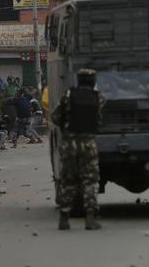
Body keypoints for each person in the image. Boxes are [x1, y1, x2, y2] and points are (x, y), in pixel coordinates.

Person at [51, 69, 103, 230]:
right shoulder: (98, 98)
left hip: (69, 143)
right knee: (90, 181)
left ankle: (64, 219)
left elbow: (55, 117)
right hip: (88, 143)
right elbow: (99, 121)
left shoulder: (67, 96)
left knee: (68, 180)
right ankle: (90, 218)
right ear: (93, 81)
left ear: (79, 81)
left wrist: (67, 129)